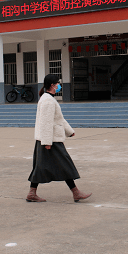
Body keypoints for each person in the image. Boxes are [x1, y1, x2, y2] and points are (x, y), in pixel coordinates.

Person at [26, 74, 92, 203]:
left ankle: (32, 193)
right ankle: (76, 192)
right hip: (51, 141)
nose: (59, 85)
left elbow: (58, 119)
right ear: (52, 85)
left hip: (49, 139)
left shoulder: (48, 99)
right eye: (57, 83)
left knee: (42, 166)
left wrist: (69, 131)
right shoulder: (48, 100)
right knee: (64, 165)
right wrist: (47, 142)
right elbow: (45, 122)